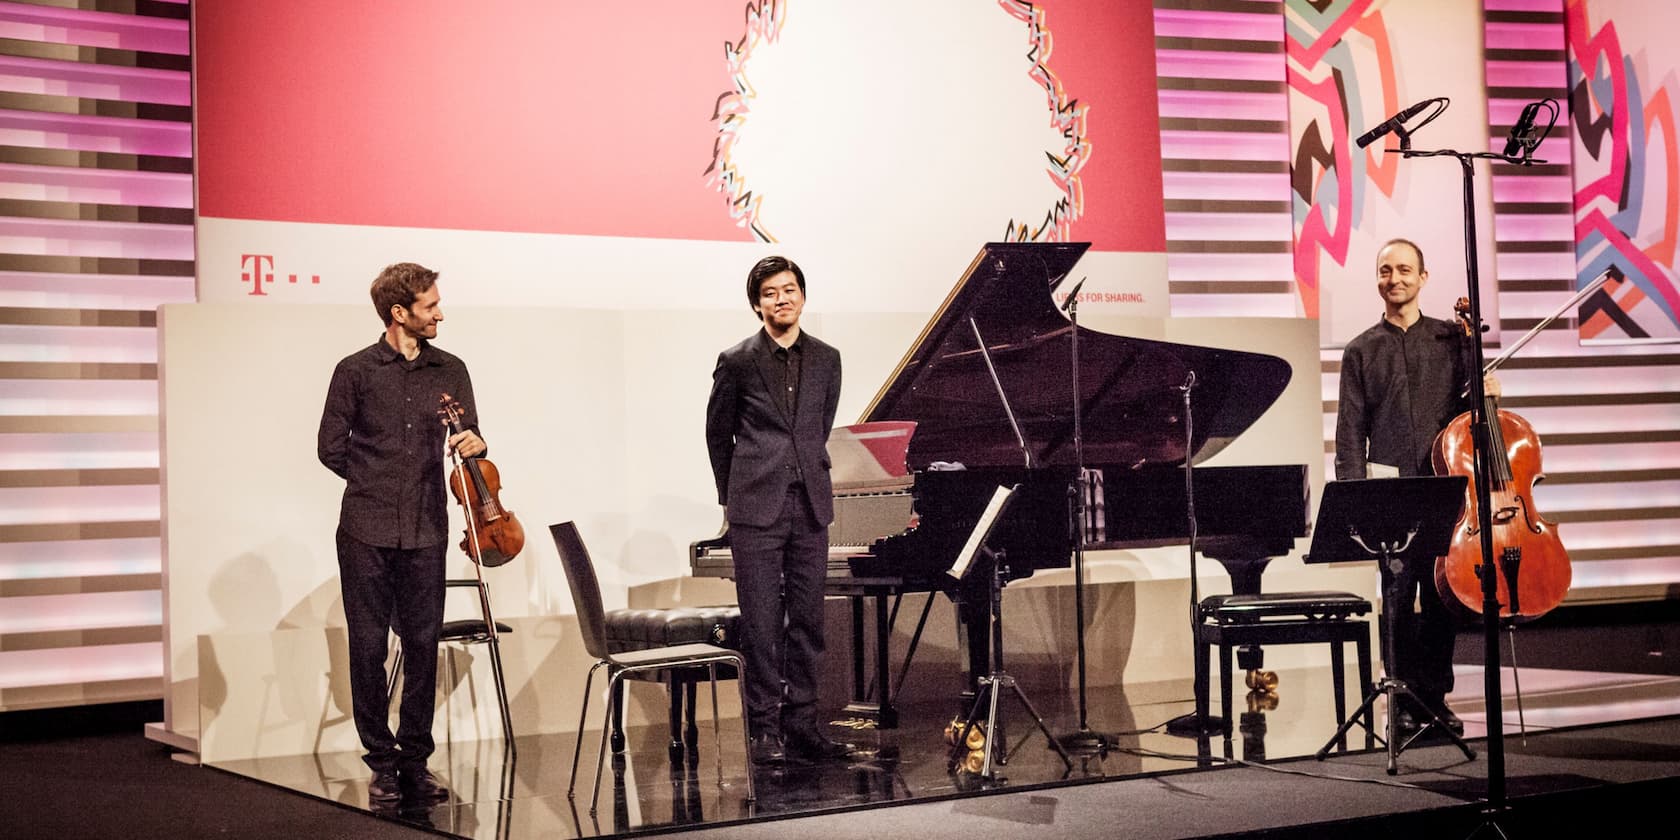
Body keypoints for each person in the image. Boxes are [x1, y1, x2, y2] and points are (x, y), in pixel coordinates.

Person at [318, 262, 485, 806]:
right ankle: (381, 761)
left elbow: (469, 434)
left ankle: (415, 760)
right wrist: (376, 482)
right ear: (399, 313)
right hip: (365, 528)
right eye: (430, 305)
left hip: (426, 528)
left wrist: (474, 445)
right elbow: (330, 447)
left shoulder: (450, 369)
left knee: (421, 645)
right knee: (367, 648)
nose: (439, 313)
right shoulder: (355, 370)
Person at [1335, 238, 1498, 736]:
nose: (1395, 278)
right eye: (1386, 270)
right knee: (1398, 599)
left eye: (1405, 270)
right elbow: (1349, 432)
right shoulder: (1360, 350)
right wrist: (1355, 502)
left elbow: (1477, 418)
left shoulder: (1453, 339)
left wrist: (1488, 385)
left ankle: (1435, 697)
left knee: (1443, 599)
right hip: (1391, 495)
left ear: (1423, 278)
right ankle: (1402, 697)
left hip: (1445, 491)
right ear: (1378, 279)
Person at [705, 255, 852, 766]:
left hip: (810, 504)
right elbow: (716, 433)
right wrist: (732, 496)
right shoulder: (738, 360)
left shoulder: (828, 358)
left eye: (789, 290)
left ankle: (803, 724)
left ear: (803, 297)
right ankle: (763, 729)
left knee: (809, 621)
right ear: (756, 303)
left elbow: (819, 425)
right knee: (763, 623)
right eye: (770, 292)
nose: (781, 298)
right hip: (756, 508)